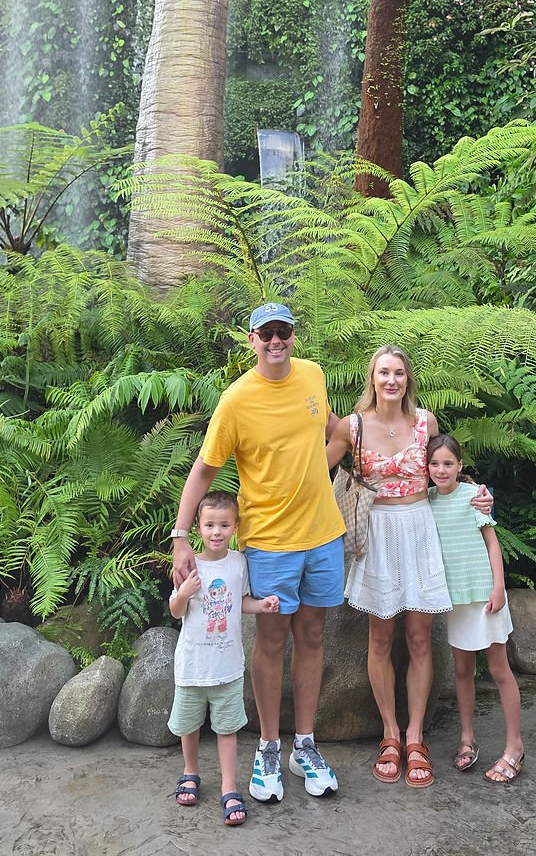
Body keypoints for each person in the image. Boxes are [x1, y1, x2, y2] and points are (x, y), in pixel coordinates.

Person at [170, 303, 344, 805]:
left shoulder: (313, 376)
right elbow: (204, 471)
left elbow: (335, 431)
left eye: (283, 332)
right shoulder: (236, 400)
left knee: (312, 635)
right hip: (268, 541)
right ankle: (269, 746)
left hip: (323, 535)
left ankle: (304, 745)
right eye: (266, 333)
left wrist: (324, 466)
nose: (275, 341)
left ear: (294, 335)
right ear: (251, 340)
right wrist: (182, 535)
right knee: (271, 640)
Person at [326, 345, 492, 788]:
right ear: (372, 379)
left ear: (407, 379)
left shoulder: (426, 422)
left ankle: (416, 736)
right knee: (380, 638)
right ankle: (390, 734)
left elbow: (445, 472)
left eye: (398, 373)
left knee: (419, 639)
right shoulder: (353, 426)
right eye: (384, 373)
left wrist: (477, 495)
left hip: (419, 529)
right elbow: (313, 469)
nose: (391, 380)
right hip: (377, 532)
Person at [168, 490, 280, 826]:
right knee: (189, 726)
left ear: (235, 528)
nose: (216, 532)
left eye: (224, 525)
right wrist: (183, 594)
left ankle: (229, 786)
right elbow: (176, 611)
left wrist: (260, 606)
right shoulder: (189, 565)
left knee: (227, 728)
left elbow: (241, 600)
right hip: (192, 666)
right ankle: (191, 771)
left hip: (228, 666)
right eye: (209, 525)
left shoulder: (238, 563)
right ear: (198, 528)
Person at [426, 433, 524, 783]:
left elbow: (491, 543)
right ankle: (466, 739)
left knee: (499, 670)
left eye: (448, 463)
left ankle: (515, 746)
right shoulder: (427, 501)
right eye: (434, 463)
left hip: (485, 596)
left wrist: (499, 587)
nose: (441, 470)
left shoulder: (474, 498)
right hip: (456, 601)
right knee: (462, 670)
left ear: (460, 466)